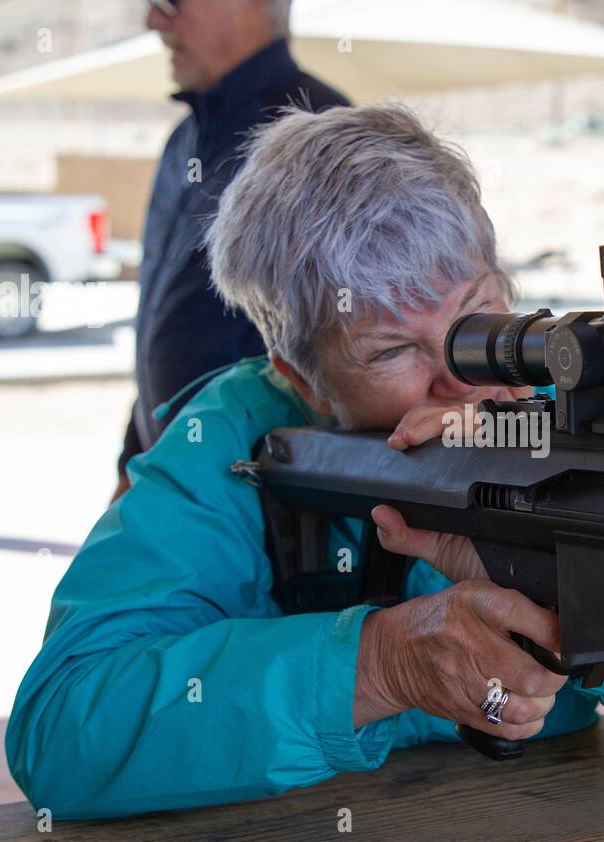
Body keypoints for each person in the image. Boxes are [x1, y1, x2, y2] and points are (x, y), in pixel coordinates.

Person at [5, 104, 604, 820]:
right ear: (298, 376)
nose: (460, 379)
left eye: (480, 317)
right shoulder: (231, 444)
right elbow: (63, 729)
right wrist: (379, 663)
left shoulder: (569, 418)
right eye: (390, 351)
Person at [114, 0, 349, 501]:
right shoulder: (183, 139)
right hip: (176, 483)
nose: (153, 21)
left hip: (272, 506)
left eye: (169, 3)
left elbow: (361, 338)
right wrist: (132, 460)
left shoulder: (321, 135)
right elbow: (165, 319)